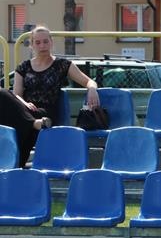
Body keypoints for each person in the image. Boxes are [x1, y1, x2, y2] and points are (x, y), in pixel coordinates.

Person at [1, 25, 99, 166]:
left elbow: (89, 81)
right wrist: (25, 103)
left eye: (45, 41)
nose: (42, 46)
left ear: (51, 42)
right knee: (3, 95)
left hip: (46, 114)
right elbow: (17, 96)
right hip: (26, 110)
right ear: (32, 45)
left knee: (15, 123)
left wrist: (92, 89)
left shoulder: (62, 64)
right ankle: (33, 125)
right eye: (38, 42)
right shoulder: (23, 67)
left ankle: (16, 163)